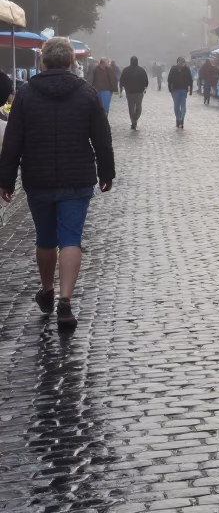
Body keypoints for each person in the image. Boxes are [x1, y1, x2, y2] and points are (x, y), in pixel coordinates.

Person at [0, 37, 114, 328]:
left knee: (46, 238)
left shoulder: (26, 94)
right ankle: (66, 301)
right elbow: (101, 137)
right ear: (71, 62)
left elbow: (13, 141)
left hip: (38, 177)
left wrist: (6, 179)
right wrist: (106, 172)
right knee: (71, 238)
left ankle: (48, 291)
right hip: (77, 177)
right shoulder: (86, 92)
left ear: (43, 61)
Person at [119, 56, 150, 130]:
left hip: (129, 91)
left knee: (131, 107)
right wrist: (145, 87)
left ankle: (133, 121)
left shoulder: (126, 70)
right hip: (139, 91)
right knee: (138, 106)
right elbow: (146, 80)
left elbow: (122, 80)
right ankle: (135, 118)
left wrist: (121, 88)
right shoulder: (141, 70)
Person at [167, 56, 194, 129]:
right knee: (176, 106)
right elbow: (169, 79)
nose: (181, 63)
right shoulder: (173, 68)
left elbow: (190, 80)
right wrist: (170, 89)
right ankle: (178, 119)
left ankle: (181, 119)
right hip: (175, 90)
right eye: (180, 62)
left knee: (183, 106)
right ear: (177, 62)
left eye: (182, 62)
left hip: (183, 90)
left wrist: (190, 89)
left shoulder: (187, 69)